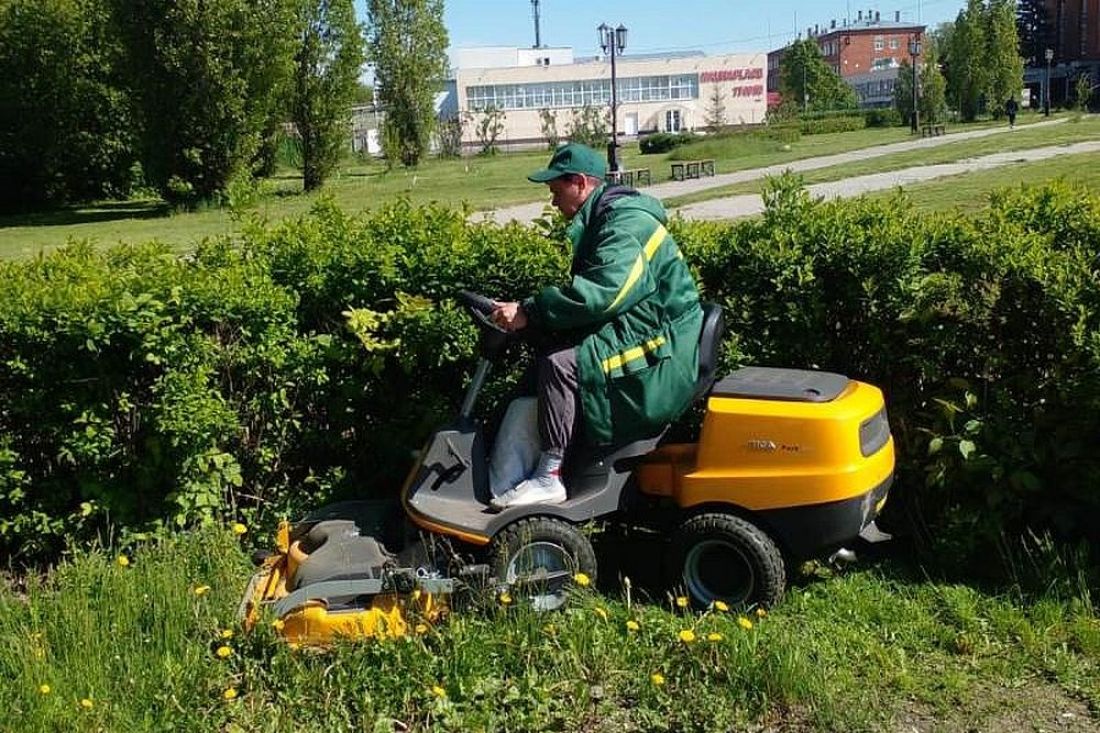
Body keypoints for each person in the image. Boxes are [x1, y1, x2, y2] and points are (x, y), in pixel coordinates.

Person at [489, 143, 703, 508]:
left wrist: (530, 310)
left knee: (561, 364)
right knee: (549, 352)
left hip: (664, 346)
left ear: (582, 183)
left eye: (557, 191)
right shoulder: (611, 217)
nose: (553, 202)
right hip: (647, 327)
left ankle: (549, 477)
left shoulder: (624, 226)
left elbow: (601, 294)